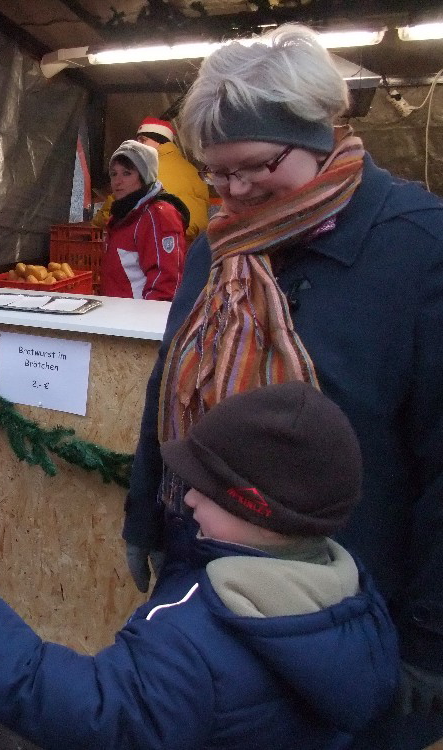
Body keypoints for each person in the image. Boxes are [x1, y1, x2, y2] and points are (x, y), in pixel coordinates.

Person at [120, 23, 443, 750]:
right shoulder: (218, 247)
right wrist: (146, 513)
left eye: (256, 166)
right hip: (206, 588)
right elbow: (166, 387)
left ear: (323, 134)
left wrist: (431, 641)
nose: (233, 193)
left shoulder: (418, 251)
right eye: (216, 174)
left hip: (339, 621)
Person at [0, 382, 399, 750]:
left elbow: (85, 710)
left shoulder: (195, 635)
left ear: (260, 512)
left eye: (211, 490)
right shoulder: (351, 597)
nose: (191, 501)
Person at [93, 117, 210, 244]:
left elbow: (113, 210)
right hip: (188, 246)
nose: (138, 145)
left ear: (159, 141)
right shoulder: (193, 171)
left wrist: (94, 224)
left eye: (143, 140)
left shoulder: (146, 168)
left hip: (153, 241)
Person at [98, 139, 187, 301]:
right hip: (115, 318)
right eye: (113, 174)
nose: (117, 181)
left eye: (127, 173)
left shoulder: (158, 215)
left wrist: (146, 323)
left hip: (138, 321)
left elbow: (167, 282)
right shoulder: (121, 215)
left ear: (145, 176)